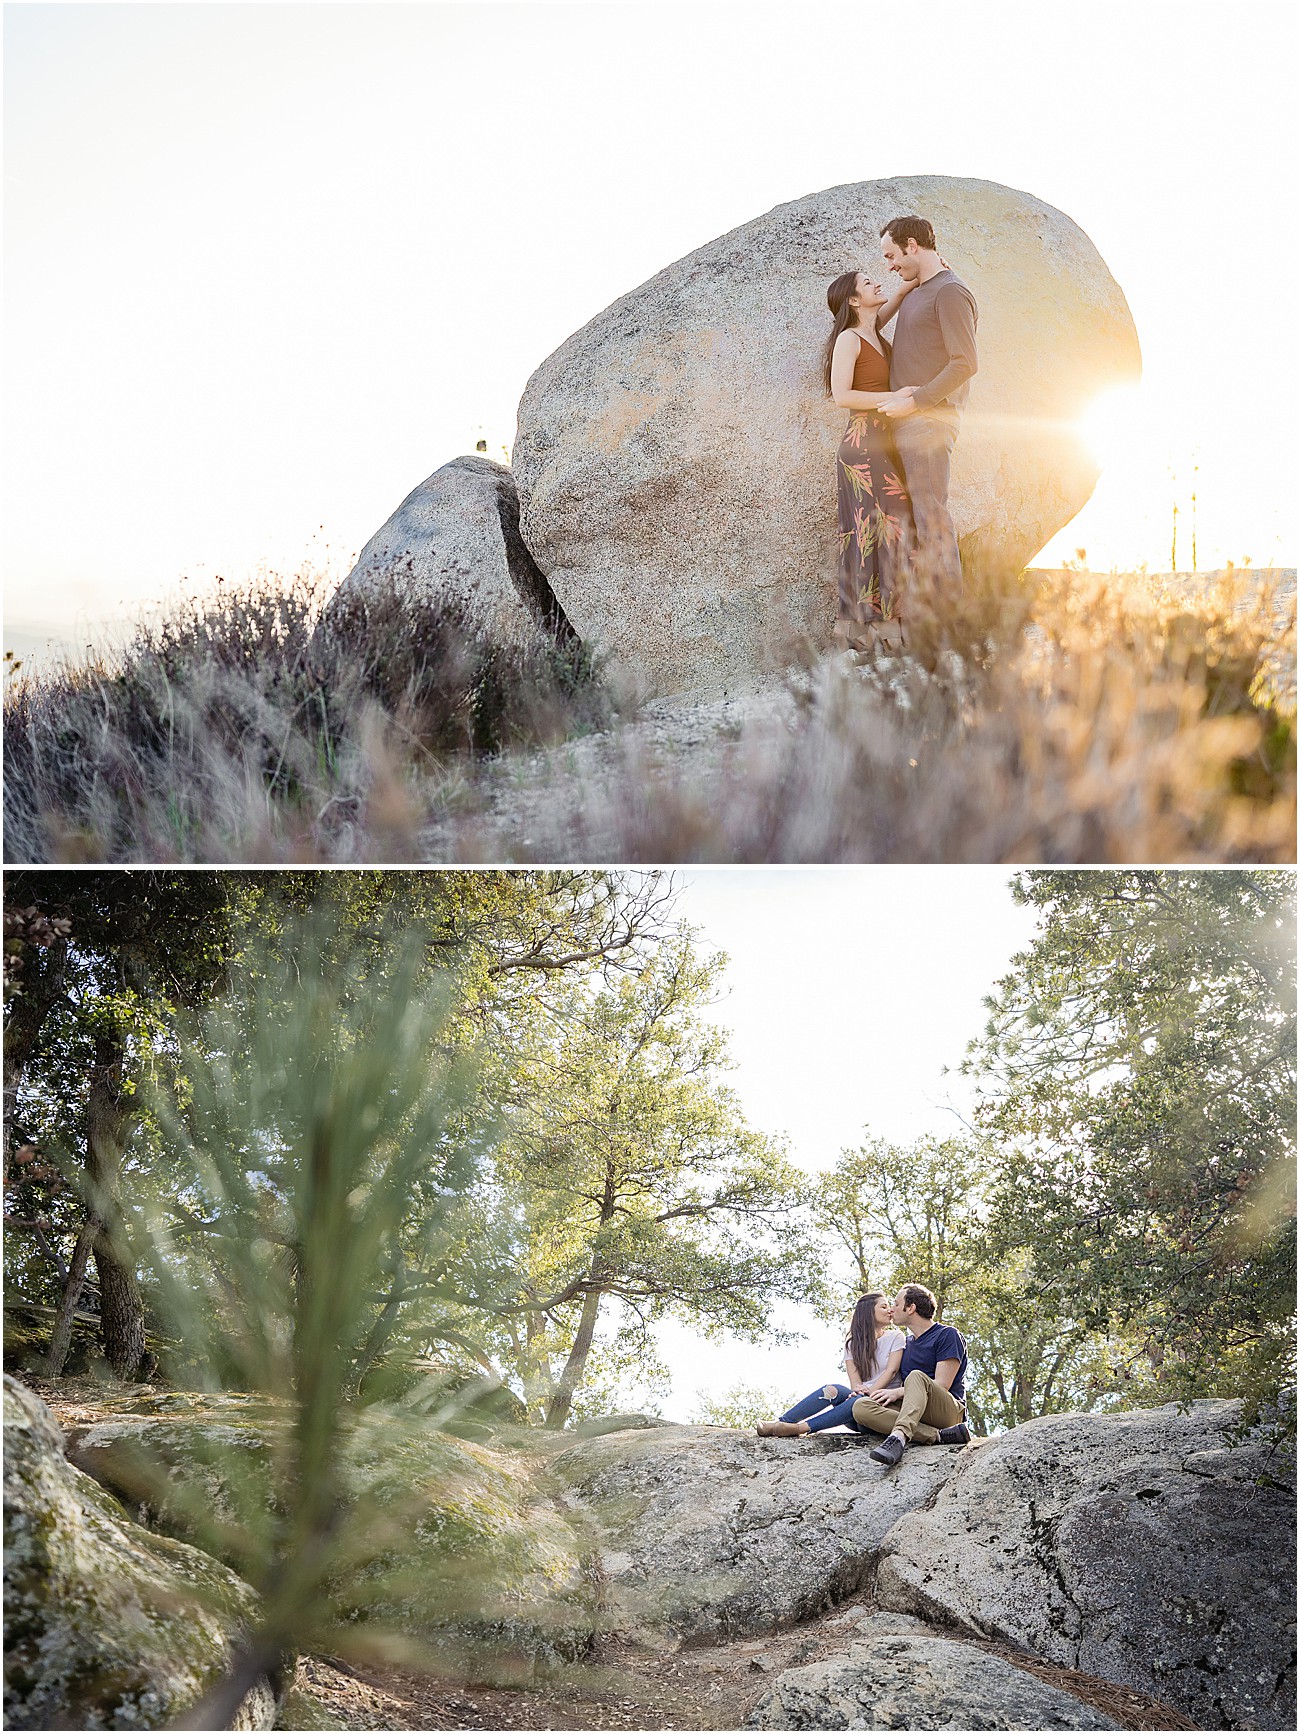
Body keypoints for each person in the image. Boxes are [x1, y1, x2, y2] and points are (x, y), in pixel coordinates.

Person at [876, 217, 979, 592]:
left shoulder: (950, 292)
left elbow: (965, 362)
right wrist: (902, 292)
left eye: (892, 255)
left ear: (912, 245)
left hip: (929, 421)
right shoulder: (919, 289)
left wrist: (916, 402)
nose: (889, 265)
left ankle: (951, 627)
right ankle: (928, 622)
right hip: (907, 421)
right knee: (917, 520)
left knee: (931, 515)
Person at [824, 272, 918, 652]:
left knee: (891, 531)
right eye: (867, 283)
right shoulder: (849, 339)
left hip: (883, 445)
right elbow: (841, 396)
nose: (876, 284)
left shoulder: (874, 333)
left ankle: (883, 628)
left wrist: (912, 282)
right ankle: (876, 633)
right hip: (863, 447)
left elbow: (890, 303)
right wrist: (897, 395)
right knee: (870, 536)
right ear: (852, 300)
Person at [850, 1282, 972, 1466]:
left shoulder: (947, 1335)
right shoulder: (904, 1343)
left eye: (897, 1304)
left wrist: (898, 1392)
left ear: (911, 1308)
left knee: (916, 1376)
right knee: (860, 1407)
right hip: (914, 1411)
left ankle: (898, 1438)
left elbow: (942, 1384)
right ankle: (936, 1436)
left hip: (948, 1412)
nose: (892, 1309)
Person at [756, 1292, 906, 1436]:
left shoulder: (896, 1336)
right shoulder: (852, 1344)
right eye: (884, 1307)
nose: (890, 1310)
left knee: (859, 1401)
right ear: (868, 1312)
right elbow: (855, 1384)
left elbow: (891, 1371)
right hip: (855, 1412)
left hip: (879, 1409)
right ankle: (781, 1423)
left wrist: (868, 1394)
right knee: (833, 1389)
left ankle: (801, 1428)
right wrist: (858, 1392)